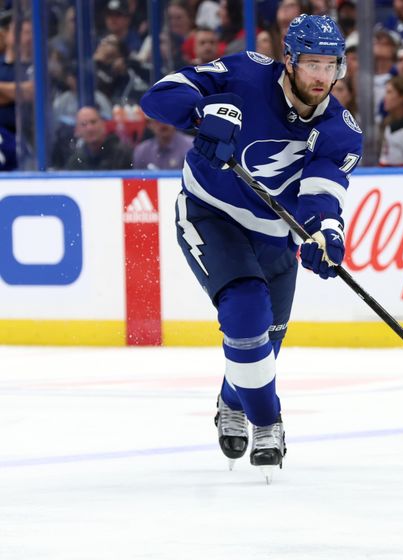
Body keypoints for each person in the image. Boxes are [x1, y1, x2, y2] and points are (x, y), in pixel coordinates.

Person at [140, 14, 362, 477]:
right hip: (211, 214)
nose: (322, 77)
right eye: (312, 64)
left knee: (263, 342)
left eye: (331, 66)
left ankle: (230, 401)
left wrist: (325, 233)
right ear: (289, 61)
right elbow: (158, 96)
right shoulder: (245, 73)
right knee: (244, 313)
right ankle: (269, 421)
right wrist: (202, 115)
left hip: (274, 236)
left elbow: (320, 196)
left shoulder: (342, 131)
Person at [65, 105, 133, 170]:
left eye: (93, 122)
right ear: (77, 130)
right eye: (84, 124)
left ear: (103, 124)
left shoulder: (122, 154)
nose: (90, 128)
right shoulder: (75, 162)